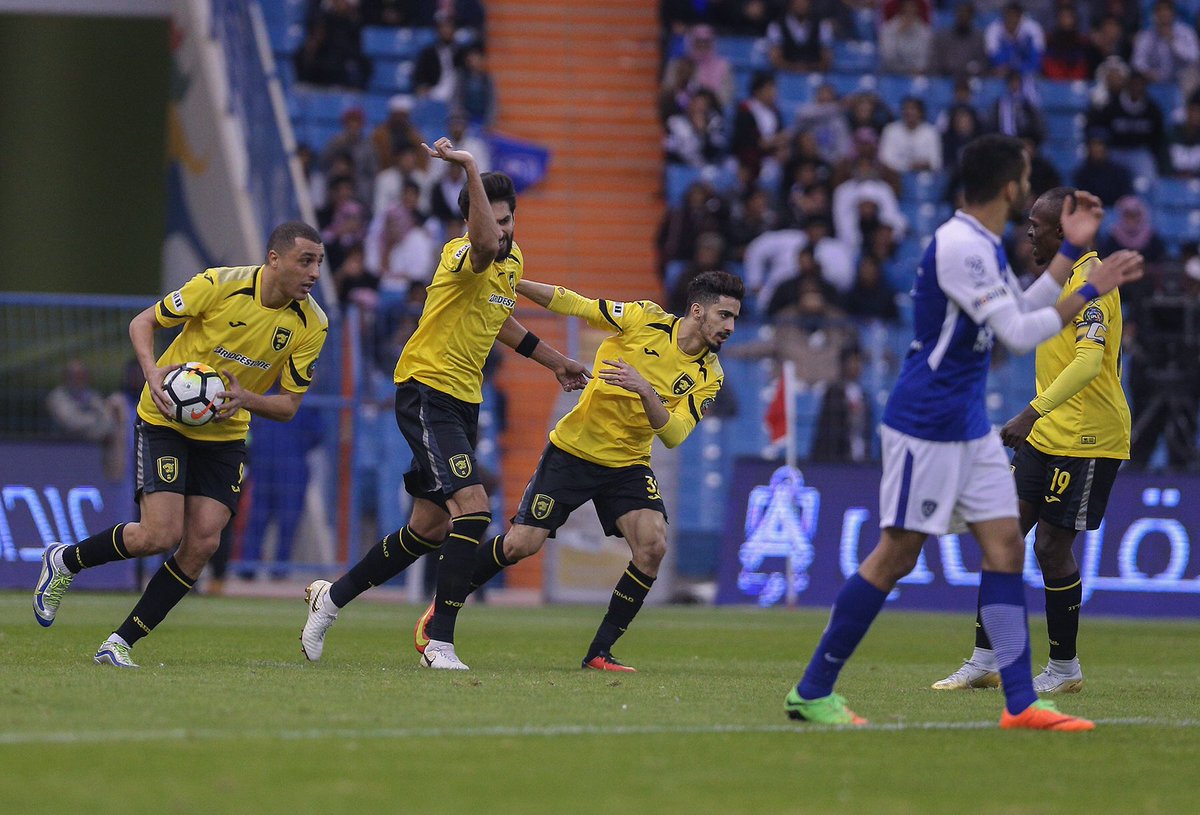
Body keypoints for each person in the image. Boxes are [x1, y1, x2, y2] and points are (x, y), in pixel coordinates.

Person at [782, 134, 1143, 731]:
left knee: (1004, 544)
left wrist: (1072, 257)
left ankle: (1022, 702)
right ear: (1009, 184)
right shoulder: (959, 245)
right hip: (926, 421)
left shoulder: (982, 245)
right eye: (1024, 177)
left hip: (966, 420)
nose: (1028, 188)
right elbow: (1018, 332)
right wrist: (1085, 285)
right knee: (896, 555)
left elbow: (1022, 311)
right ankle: (812, 689)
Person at [299, 140, 589, 668]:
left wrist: (556, 362)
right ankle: (440, 642)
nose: (503, 231)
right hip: (427, 390)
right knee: (474, 510)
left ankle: (331, 598)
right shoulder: (461, 254)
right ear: (474, 218)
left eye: (509, 221)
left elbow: (499, 319)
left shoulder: (511, 260)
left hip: (463, 401)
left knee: (426, 530)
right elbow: (481, 245)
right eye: (495, 221)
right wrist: (470, 167)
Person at [410, 270, 744, 670]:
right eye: (724, 315)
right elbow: (574, 303)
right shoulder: (644, 319)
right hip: (573, 452)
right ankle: (443, 606)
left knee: (653, 545)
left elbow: (673, 434)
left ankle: (599, 653)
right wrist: (513, 284)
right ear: (697, 310)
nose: (730, 326)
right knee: (521, 545)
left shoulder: (711, 376)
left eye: (734, 318)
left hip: (627, 464)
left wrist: (644, 388)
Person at [32, 222, 331, 667]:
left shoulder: (312, 324)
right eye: (305, 261)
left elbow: (288, 406)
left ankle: (120, 643)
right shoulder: (219, 284)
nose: (313, 273)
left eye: (319, 264)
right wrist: (153, 375)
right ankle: (66, 561)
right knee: (158, 535)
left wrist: (246, 398)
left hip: (226, 433)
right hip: (166, 420)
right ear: (274, 259)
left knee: (202, 544)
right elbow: (143, 322)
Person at [932, 186, 1131, 694]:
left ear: (1062, 231)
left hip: (1087, 437)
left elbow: (1088, 361)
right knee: (1002, 537)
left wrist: (1031, 410)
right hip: (1046, 433)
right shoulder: (1057, 278)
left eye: (1036, 226)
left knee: (1049, 544)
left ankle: (1064, 669)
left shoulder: (1093, 280)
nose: (1027, 233)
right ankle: (984, 659)